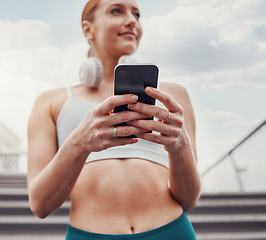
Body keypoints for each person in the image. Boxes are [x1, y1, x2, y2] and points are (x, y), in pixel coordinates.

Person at [27, 0, 201, 239]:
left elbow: (189, 199)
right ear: (88, 29)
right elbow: (40, 204)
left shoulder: (173, 97)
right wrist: (79, 143)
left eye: (137, 14)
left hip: (172, 230)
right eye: (117, 10)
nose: (132, 20)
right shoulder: (51, 101)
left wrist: (180, 147)